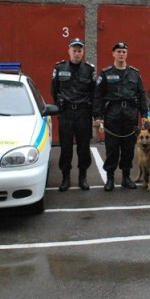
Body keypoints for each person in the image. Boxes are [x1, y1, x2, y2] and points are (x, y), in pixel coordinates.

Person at [93, 42, 147, 191]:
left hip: (130, 116)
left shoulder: (134, 73)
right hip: (112, 117)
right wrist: (97, 116)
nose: (121, 54)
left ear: (126, 54)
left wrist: (144, 114)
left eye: (124, 52)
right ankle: (110, 178)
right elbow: (98, 96)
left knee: (128, 149)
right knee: (112, 149)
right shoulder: (106, 73)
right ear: (113, 54)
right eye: (118, 51)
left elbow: (141, 94)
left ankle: (126, 177)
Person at [51, 38, 96, 191]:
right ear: (69, 51)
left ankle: (83, 177)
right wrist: (61, 106)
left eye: (79, 51)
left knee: (83, 148)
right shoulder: (59, 68)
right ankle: (66, 178)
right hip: (66, 114)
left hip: (83, 114)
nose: (77, 53)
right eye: (74, 50)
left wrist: (94, 113)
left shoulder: (89, 70)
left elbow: (94, 92)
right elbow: (54, 90)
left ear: (83, 52)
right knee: (66, 148)